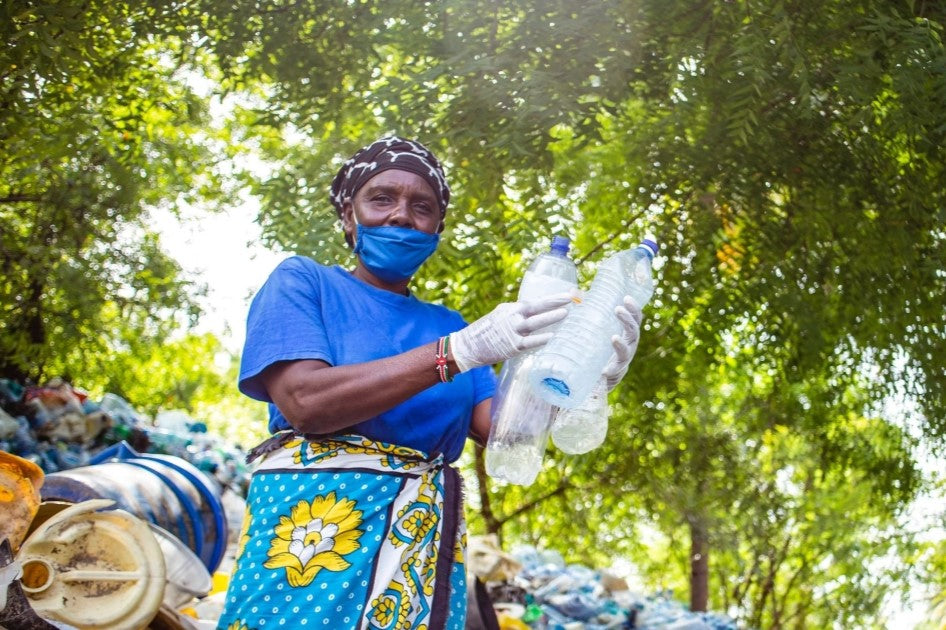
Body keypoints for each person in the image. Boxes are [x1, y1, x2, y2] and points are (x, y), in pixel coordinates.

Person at [216, 136, 643, 630]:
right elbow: (305, 402)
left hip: (416, 550)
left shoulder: (449, 322)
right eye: (381, 198)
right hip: (310, 540)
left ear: (437, 229)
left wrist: (585, 378)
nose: (401, 216)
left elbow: (506, 430)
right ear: (349, 217)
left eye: (422, 207)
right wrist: (455, 353)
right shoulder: (304, 282)